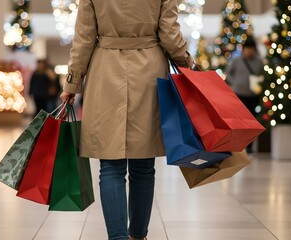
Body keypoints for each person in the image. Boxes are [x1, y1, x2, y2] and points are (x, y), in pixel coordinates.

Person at [60, 0, 192, 239]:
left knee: (110, 166)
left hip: (105, 70)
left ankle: (118, 237)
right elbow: (170, 34)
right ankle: (138, 235)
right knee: (144, 165)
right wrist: (186, 61)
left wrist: (72, 83)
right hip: (149, 71)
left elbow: (84, 38)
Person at [226, 39, 264, 153]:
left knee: (251, 122)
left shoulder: (259, 62)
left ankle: (250, 147)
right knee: (240, 121)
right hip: (239, 94)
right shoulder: (236, 61)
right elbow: (228, 72)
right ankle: (238, 145)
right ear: (243, 50)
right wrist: (234, 83)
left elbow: (263, 75)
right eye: (247, 49)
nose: (249, 52)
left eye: (251, 49)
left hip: (253, 95)